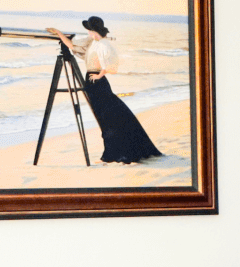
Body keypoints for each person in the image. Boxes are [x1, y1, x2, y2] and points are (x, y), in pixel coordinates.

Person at [47, 16, 161, 164]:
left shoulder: (103, 45)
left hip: (97, 83)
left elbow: (113, 65)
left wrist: (100, 74)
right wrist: (59, 33)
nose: (87, 32)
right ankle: (111, 153)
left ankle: (111, 155)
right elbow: (72, 46)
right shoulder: (93, 42)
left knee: (107, 119)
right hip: (92, 82)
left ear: (94, 31)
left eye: (89, 30)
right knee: (106, 118)